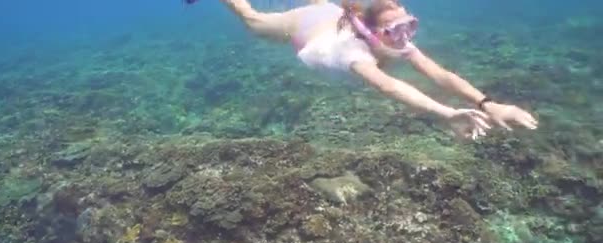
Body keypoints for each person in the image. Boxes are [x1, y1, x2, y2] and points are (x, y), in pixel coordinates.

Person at [191, 0, 539, 140]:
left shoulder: (390, 38)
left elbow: (438, 73)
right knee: (253, 21)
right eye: (394, 31)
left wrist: (487, 103)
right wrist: (446, 113)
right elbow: (389, 86)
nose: (404, 38)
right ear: (371, 33)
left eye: (409, 25)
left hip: (332, 12)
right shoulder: (352, 53)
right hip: (306, 29)